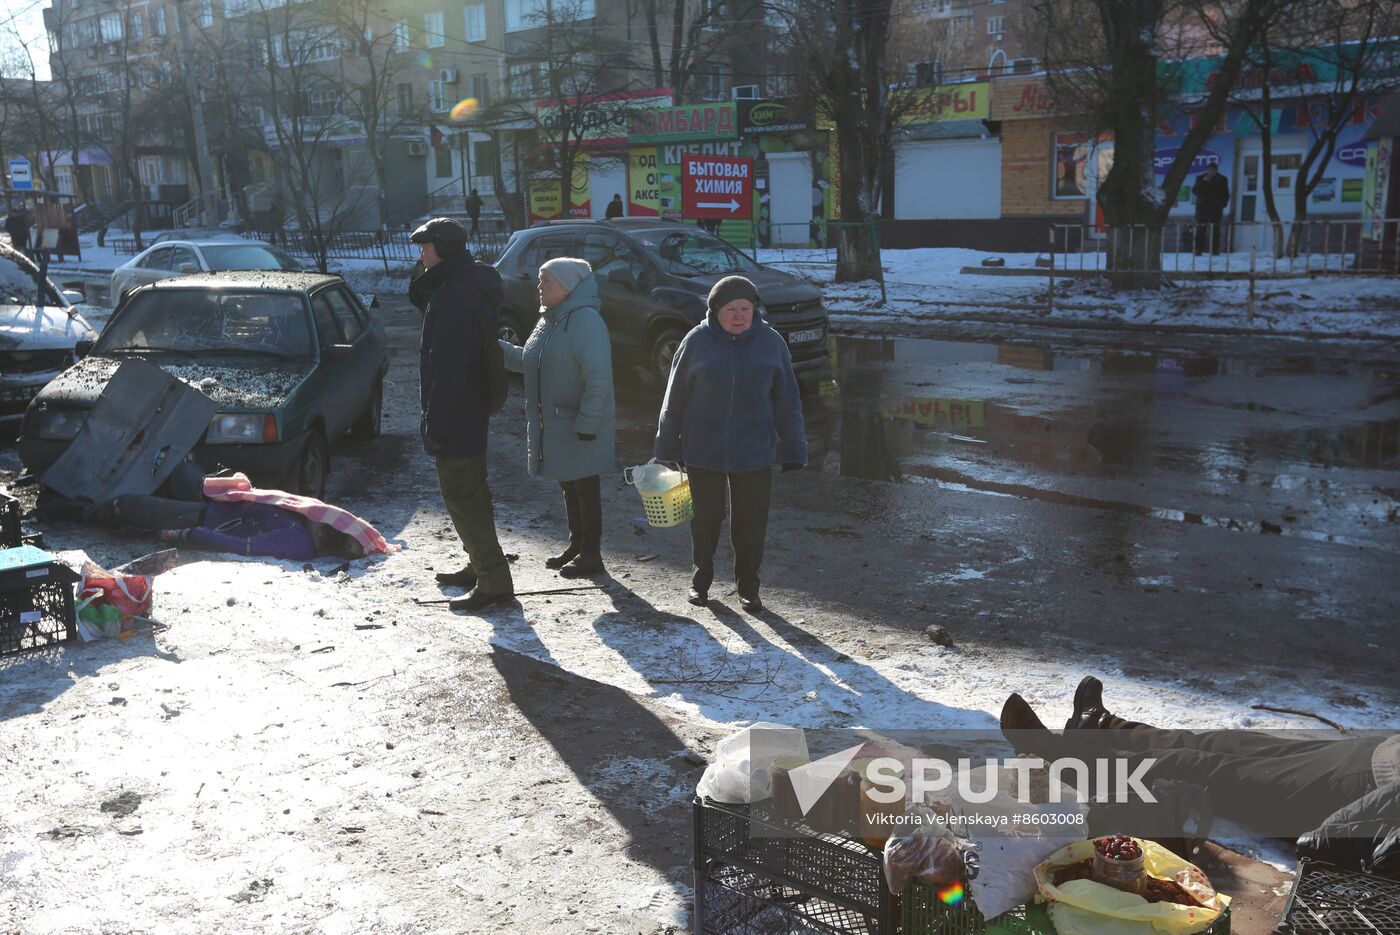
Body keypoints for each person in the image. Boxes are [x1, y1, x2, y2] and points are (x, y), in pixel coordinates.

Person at [1000, 677, 1399, 878]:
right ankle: (1103, 728)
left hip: (1370, 792)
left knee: (1207, 770)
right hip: (1381, 765)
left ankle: (1061, 760)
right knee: (1228, 744)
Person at [654, 275, 807, 613]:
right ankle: (700, 581)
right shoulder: (696, 342)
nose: (740, 316)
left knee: (751, 523)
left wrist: (794, 446)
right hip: (702, 450)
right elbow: (674, 398)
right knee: (706, 520)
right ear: (715, 310)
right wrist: (666, 446)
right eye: (732, 309)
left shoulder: (771, 343)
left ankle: (748, 588)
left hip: (754, 450)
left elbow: (788, 401)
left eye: (746, 309)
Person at [413, 216, 515, 612]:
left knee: (462, 495)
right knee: (472, 491)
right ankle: (480, 564)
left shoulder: (455, 294)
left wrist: (436, 422)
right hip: (468, 408)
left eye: (425, 248)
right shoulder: (464, 284)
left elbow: (449, 369)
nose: (421, 256)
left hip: (457, 412)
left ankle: (493, 580)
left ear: (443, 248)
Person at [499, 258, 615, 578]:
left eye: (545, 280)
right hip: (557, 425)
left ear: (567, 286)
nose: (539, 286)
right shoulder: (549, 320)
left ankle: (591, 553)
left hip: (579, 425)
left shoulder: (586, 321)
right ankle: (577, 545)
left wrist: (589, 424)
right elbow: (530, 362)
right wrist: (494, 348)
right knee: (570, 485)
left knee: (585, 487)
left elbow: (599, 378)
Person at [1192, 163, 1230, 256]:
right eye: (1209, 170)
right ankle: (1198, 250)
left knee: (1215, 230)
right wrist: (1205, 181)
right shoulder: (1200, 178)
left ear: (1216, 170)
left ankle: (1215, 250)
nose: (1211, 172)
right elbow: (1195, 191)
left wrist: (1223, 204)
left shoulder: (1222, 179)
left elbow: (1226, 193)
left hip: (1216, 208)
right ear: (1207, 170)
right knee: (1201, 229)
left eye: (1213, 170)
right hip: (1202, 208)